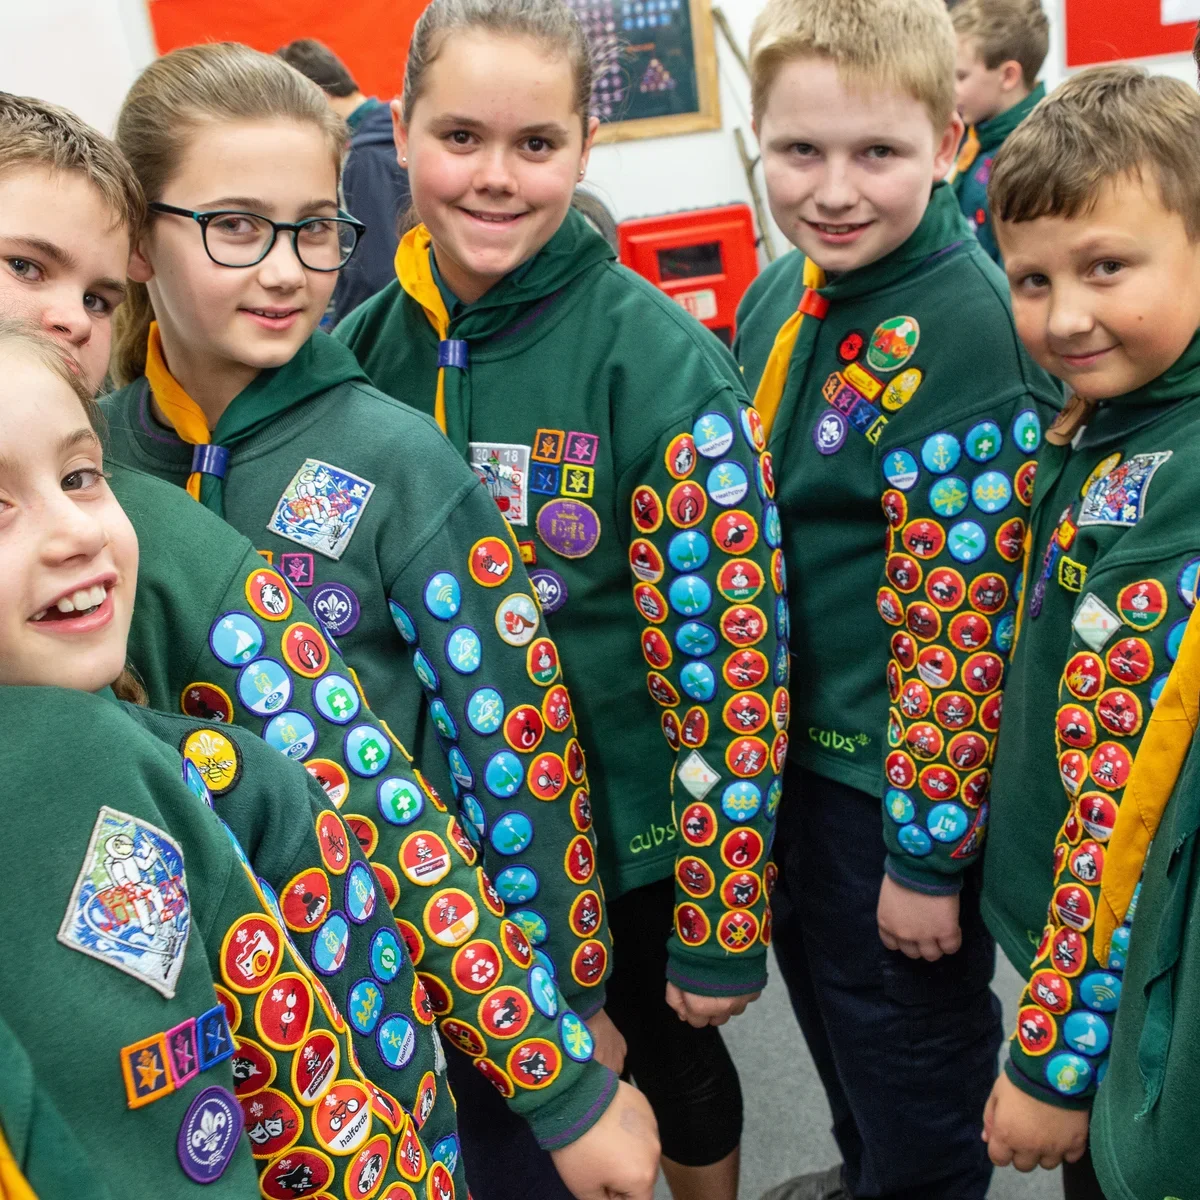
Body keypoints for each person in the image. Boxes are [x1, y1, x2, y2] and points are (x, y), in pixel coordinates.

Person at [0, 88, 657, 1199]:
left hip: (348, 1022)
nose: (66, 318)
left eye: (93, 290)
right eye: (26, 268)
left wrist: (560, 1046)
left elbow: (402, 781)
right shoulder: (111, 457)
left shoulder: (144, 525)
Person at [334, 1, 783, 1196]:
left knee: (671, 1070)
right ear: (399, 130)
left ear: (586, 147)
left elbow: (731, 655)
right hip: (443, 835)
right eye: (461, 136)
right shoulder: (364, 347)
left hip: (631, 835)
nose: (495, 176)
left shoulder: (657, 357)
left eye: (536, 144)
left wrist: (723, 911)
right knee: (504, 1100)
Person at [0, 318, 462, 1197]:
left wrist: (564, 1081)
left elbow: (315, 1091)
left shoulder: (171, 766)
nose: (75, 534)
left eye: (81, 477)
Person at [733, 0, 1062, 1196]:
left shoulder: (967, 327)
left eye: (877, 153)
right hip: (794, 767)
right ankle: (860, 1163)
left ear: (950, 144)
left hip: (887, 786)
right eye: (800, 152)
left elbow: (961, 622)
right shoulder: (789, 292)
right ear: (757, 139)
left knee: (910, 1050)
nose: (834, 189)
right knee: (830, 1016)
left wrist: (926, 856)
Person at [980, 64, 1200, 1198]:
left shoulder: (1182, 480)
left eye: (1106, 267)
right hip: (1088, 957)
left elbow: (1128, 798)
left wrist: (1052, 1064)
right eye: (1031, 279)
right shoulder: (1116, 416)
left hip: (1118, 986)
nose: (1063, 316)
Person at [277, 38, 412, 323]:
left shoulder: (363, 157)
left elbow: (376, 271)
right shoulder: (390, 134)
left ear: (313, 94)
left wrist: (347, 336)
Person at [948, 0, 1049, 263]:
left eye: (960, 77)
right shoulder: (973, 136)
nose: (949, 89)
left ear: (1008, 76)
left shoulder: (1037, 158)